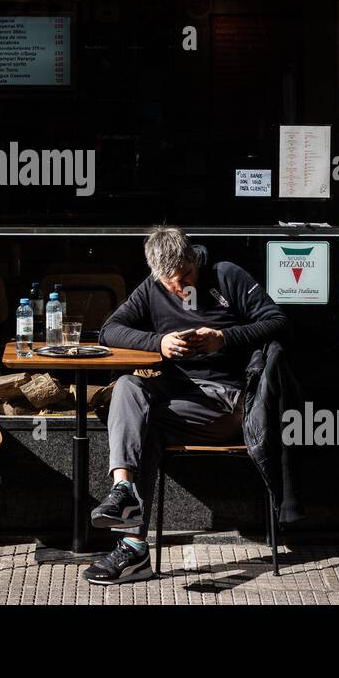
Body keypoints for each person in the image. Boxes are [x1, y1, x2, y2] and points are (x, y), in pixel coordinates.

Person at [83, 226, 288, 585]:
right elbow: (109, 330)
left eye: (186, 276)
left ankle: (132, 548)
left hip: (226, 401)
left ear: (194, 259)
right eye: (169, 282)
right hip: (176, 394)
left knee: (143, 426)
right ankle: (123, 491)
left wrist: (223, 338)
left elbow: (278, 322)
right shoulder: (152, 287)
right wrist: (159, 343)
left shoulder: (226, 275)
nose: (179, 287)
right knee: (128, 387)